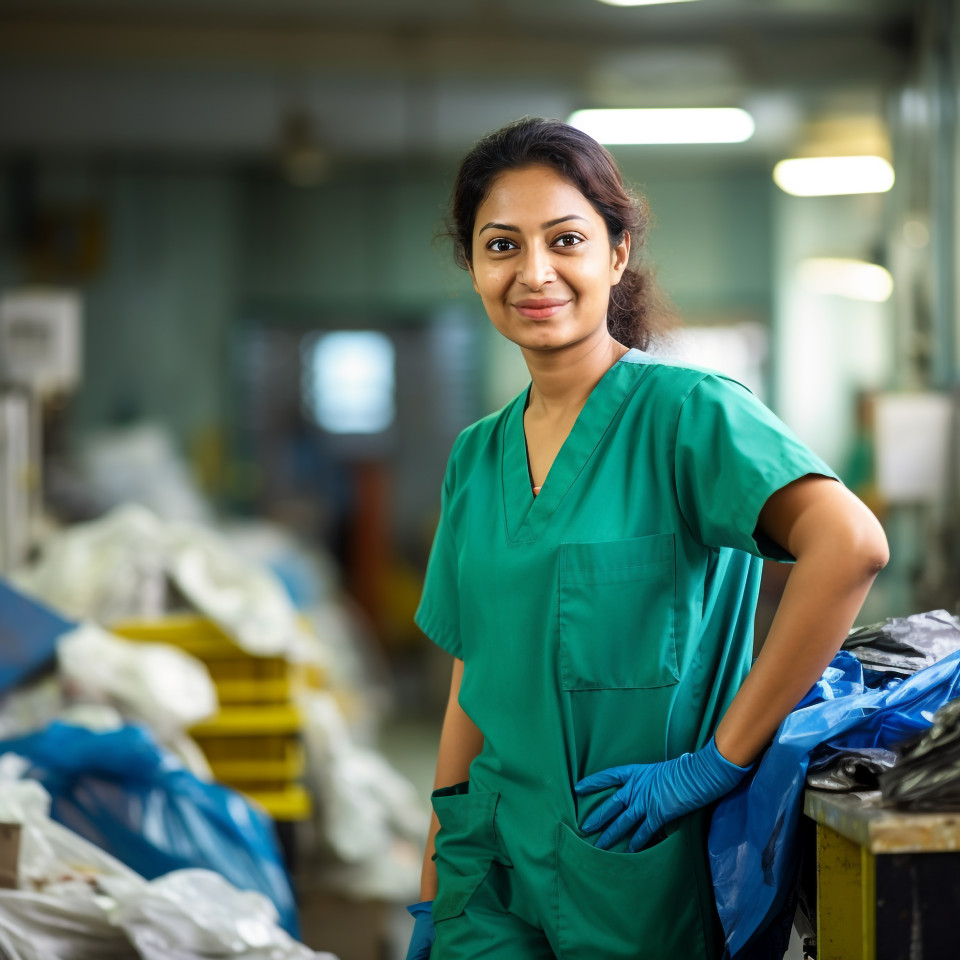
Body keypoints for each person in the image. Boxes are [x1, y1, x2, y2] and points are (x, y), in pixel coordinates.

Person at [405, 117, 889, 960]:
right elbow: (471, 677)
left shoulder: (688, 414)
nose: (535, 272)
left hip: (632, 869)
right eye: (501, 246)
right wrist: (431, 882)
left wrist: (718, 762)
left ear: (616, 254)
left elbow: (851, 546)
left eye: (566, 240)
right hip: (486, 872)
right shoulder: (475, 457)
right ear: (474, 267)